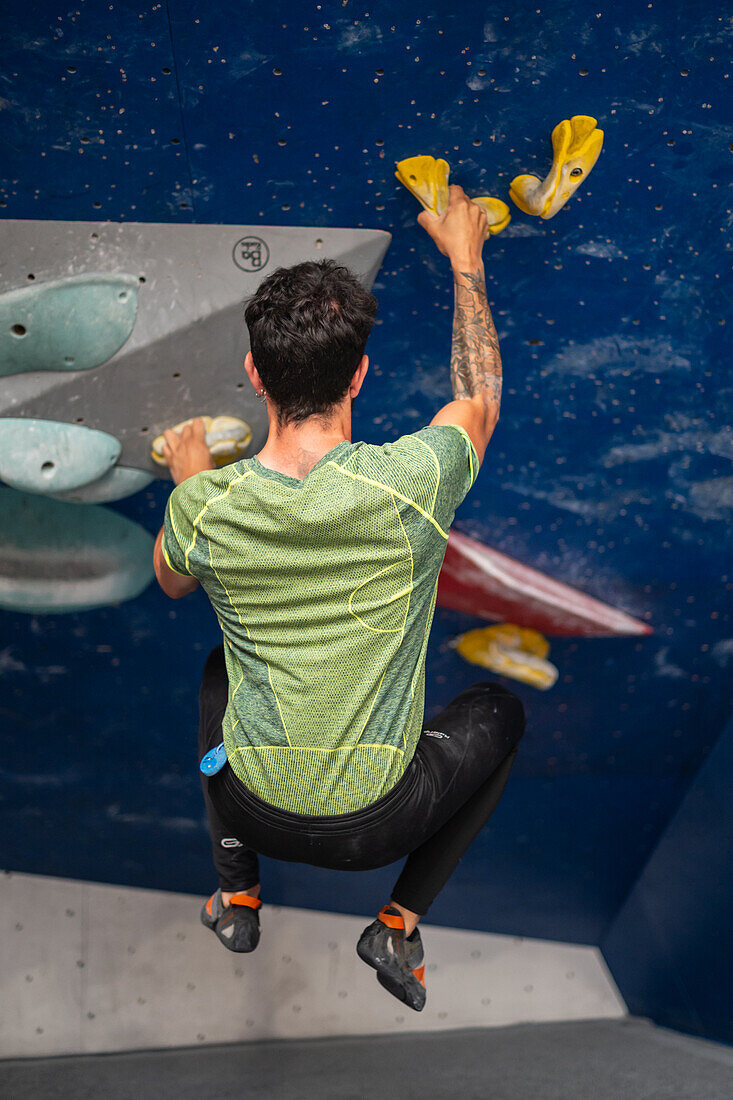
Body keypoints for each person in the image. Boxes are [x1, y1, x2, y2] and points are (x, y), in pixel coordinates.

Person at [153, 185, 525, 1012]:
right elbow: (480, 397)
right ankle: (396, 922)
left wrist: (191, 479)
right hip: (379, 827)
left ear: (254, 374)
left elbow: (174, 579)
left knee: (221, 673)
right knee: (498, 712)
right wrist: (466, 258)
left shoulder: (203, 508)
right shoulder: (414, 483)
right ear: (360, 372)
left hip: (248, 808)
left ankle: (237, 896)